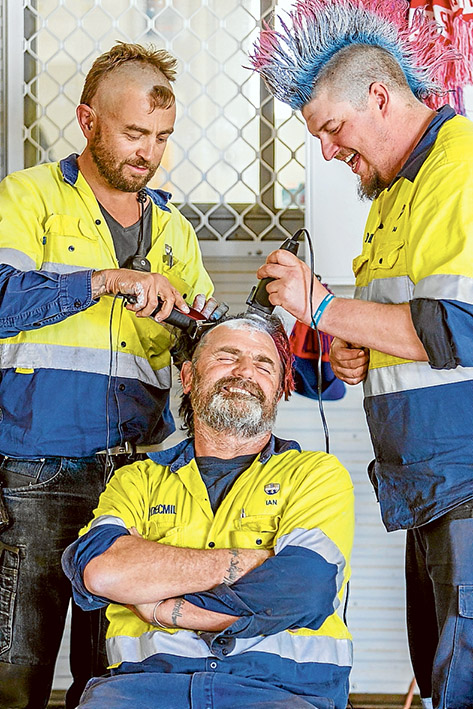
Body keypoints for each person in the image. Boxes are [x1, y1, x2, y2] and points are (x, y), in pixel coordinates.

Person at [250, 2, 473, 708]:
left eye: (331, 129)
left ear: (378, 96)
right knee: (438, 666)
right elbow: (404, 327)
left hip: (466, 480)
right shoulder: (388, 193)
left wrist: (319, 307)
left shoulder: (459, 168)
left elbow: (455, 325)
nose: (325, 150)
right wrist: (356, 348)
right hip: (426, 485)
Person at [0, 42, 225, 709]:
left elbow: (202, 343)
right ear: (87, 119)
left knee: (115, 671)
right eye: (133, 132)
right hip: (37, 470)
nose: (148, 152)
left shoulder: (174, 232)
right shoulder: (28, 197)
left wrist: (251, 340)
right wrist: (102, 280)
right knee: (17, 667)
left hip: (138, 478)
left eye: (161, 138)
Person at [62, 313, 354, 709]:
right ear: (187, 377)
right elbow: (99, 570)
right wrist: (252, 563)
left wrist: (168, 610)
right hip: (143, 691)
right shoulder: (138, 479)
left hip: (282, 692)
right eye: (227, 357)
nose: (245, 372)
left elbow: (305, 588)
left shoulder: (315, 474)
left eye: (264, 364)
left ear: (280, 387)